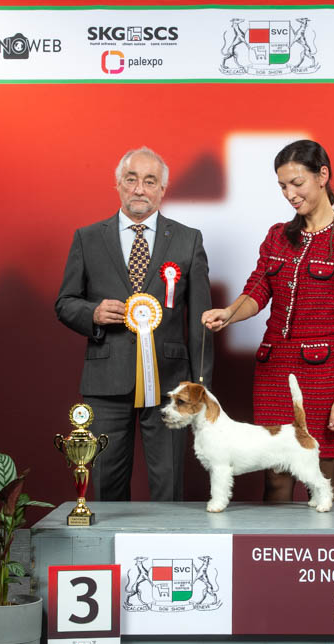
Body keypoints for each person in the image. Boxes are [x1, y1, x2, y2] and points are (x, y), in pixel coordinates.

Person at [202, 139, 334, 501]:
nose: (289, 194)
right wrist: (229, 313)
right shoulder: (277, 236)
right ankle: (273, 541)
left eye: (297, 183)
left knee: (319, 477)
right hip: (273, 370)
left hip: (323, 375)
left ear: (322, 175)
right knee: (276, 476)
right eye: (282, 186)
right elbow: (257, 291)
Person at [56, 146, 213, 501]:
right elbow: (65, 303)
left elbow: (200, 321)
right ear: (117, 185)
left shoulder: (188, 240)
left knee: (169, 486)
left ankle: (167, 540)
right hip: (106, 383)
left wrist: (200, 385)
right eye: (131, 179)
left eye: (150, 181)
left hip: (171, 385)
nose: (139, 189)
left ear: (163, 189)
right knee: (105, 486)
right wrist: (92, 314)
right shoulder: (87, 238)